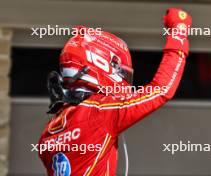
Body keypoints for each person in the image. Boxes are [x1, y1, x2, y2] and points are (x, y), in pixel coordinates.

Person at [38, 8, 192, 176]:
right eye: (121, 71)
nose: (124, 78)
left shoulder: (48, 132)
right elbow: (162, 89)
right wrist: (178, 32)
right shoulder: (99, 112)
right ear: (98, 63)